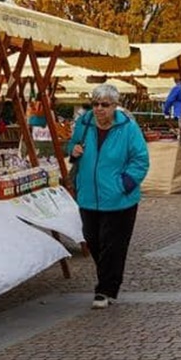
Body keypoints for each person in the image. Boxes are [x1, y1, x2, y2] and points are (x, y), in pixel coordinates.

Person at [65, 83, 150, 309]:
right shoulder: (84, 124)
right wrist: (73, 150)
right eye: (95, 104)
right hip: (89, 196)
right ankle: (108, 279)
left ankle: (105, 290)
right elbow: (72, 145)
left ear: (115, 106)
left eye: (104, 105)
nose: (99, 109)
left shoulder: (128, 128)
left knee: (113, 245)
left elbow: (140, 160)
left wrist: (124, 184)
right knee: (92, 240)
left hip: (119, 200)